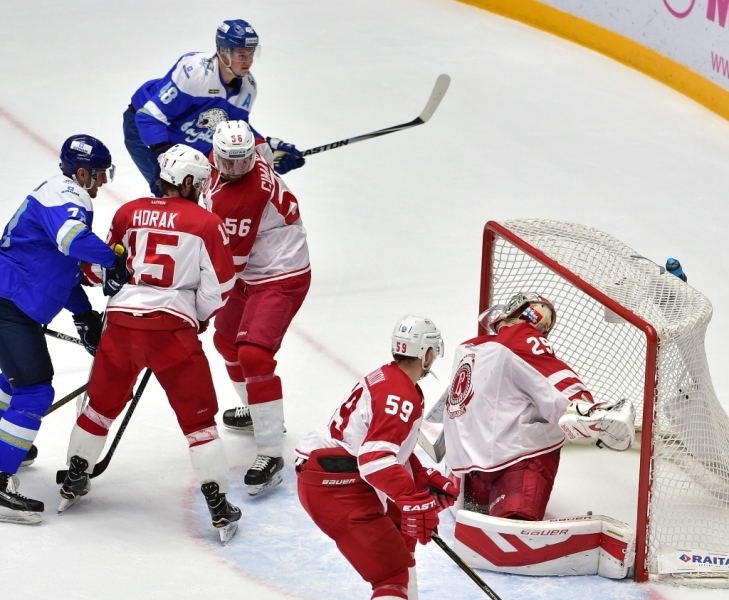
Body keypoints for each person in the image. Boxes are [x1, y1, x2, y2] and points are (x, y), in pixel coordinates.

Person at [58, 144, 241, 543]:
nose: (201, 189)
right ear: (187, 182)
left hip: (121, 327)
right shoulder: (207, 223)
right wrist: (197, 316)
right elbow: (222, 287)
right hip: (172, 332)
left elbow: (96, 270)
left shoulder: (128, 212)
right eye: (199, 182)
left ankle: (74, 476)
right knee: (199, 424)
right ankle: (218, 503)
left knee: (99, 408)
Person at [0, 134, 128, 524]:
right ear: (83, 172)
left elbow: (64, 271)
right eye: (101, 173)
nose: (103, 181)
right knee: (35, 390)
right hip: (9, 305)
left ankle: (4, 446)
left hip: (11, 304)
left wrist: (83, 315)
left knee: (13, 382)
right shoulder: (66, 192)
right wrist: (113, 261)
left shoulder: (63, 196)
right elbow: (72, 241)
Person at [295, 316, 458, 600]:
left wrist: (418, 478)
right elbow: (374, 459)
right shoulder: (400, 395)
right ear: (427, 353)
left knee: (402, 535)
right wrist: (411, 498)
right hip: (337, 486)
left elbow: (384, 447)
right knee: (390, 576)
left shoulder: (391, 378)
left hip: (342, 475)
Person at [206, 119, 311, 496]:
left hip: (280, 274)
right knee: (225, 342)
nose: (236, 169)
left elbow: (226, 270)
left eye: (243, 161)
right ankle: (258, 411)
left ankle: (270, 453)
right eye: (228, 161)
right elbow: (262, 140)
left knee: (253, 355)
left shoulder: (243, 198)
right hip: (252, 269)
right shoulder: (249, 152)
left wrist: (194, 308)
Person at [441, 292, 610, 520]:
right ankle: (513, 514)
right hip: (514, 466)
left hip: (465, 475)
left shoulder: (468, 347)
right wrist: (586, 409)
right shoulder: (521, 337)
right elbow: (554, 379)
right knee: (543, 435)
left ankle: (482, 506)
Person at [124, 18, 305, 197]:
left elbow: (232, 129)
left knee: (206, 197)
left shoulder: (248, 88)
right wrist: (163, 159)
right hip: (146, 132)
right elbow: (149, 117)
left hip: (187, 139)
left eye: (251, 54)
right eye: (241, 55)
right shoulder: (194, 73)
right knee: (175, 197)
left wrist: (266, 150)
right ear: (223, 52)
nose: (248, 61)